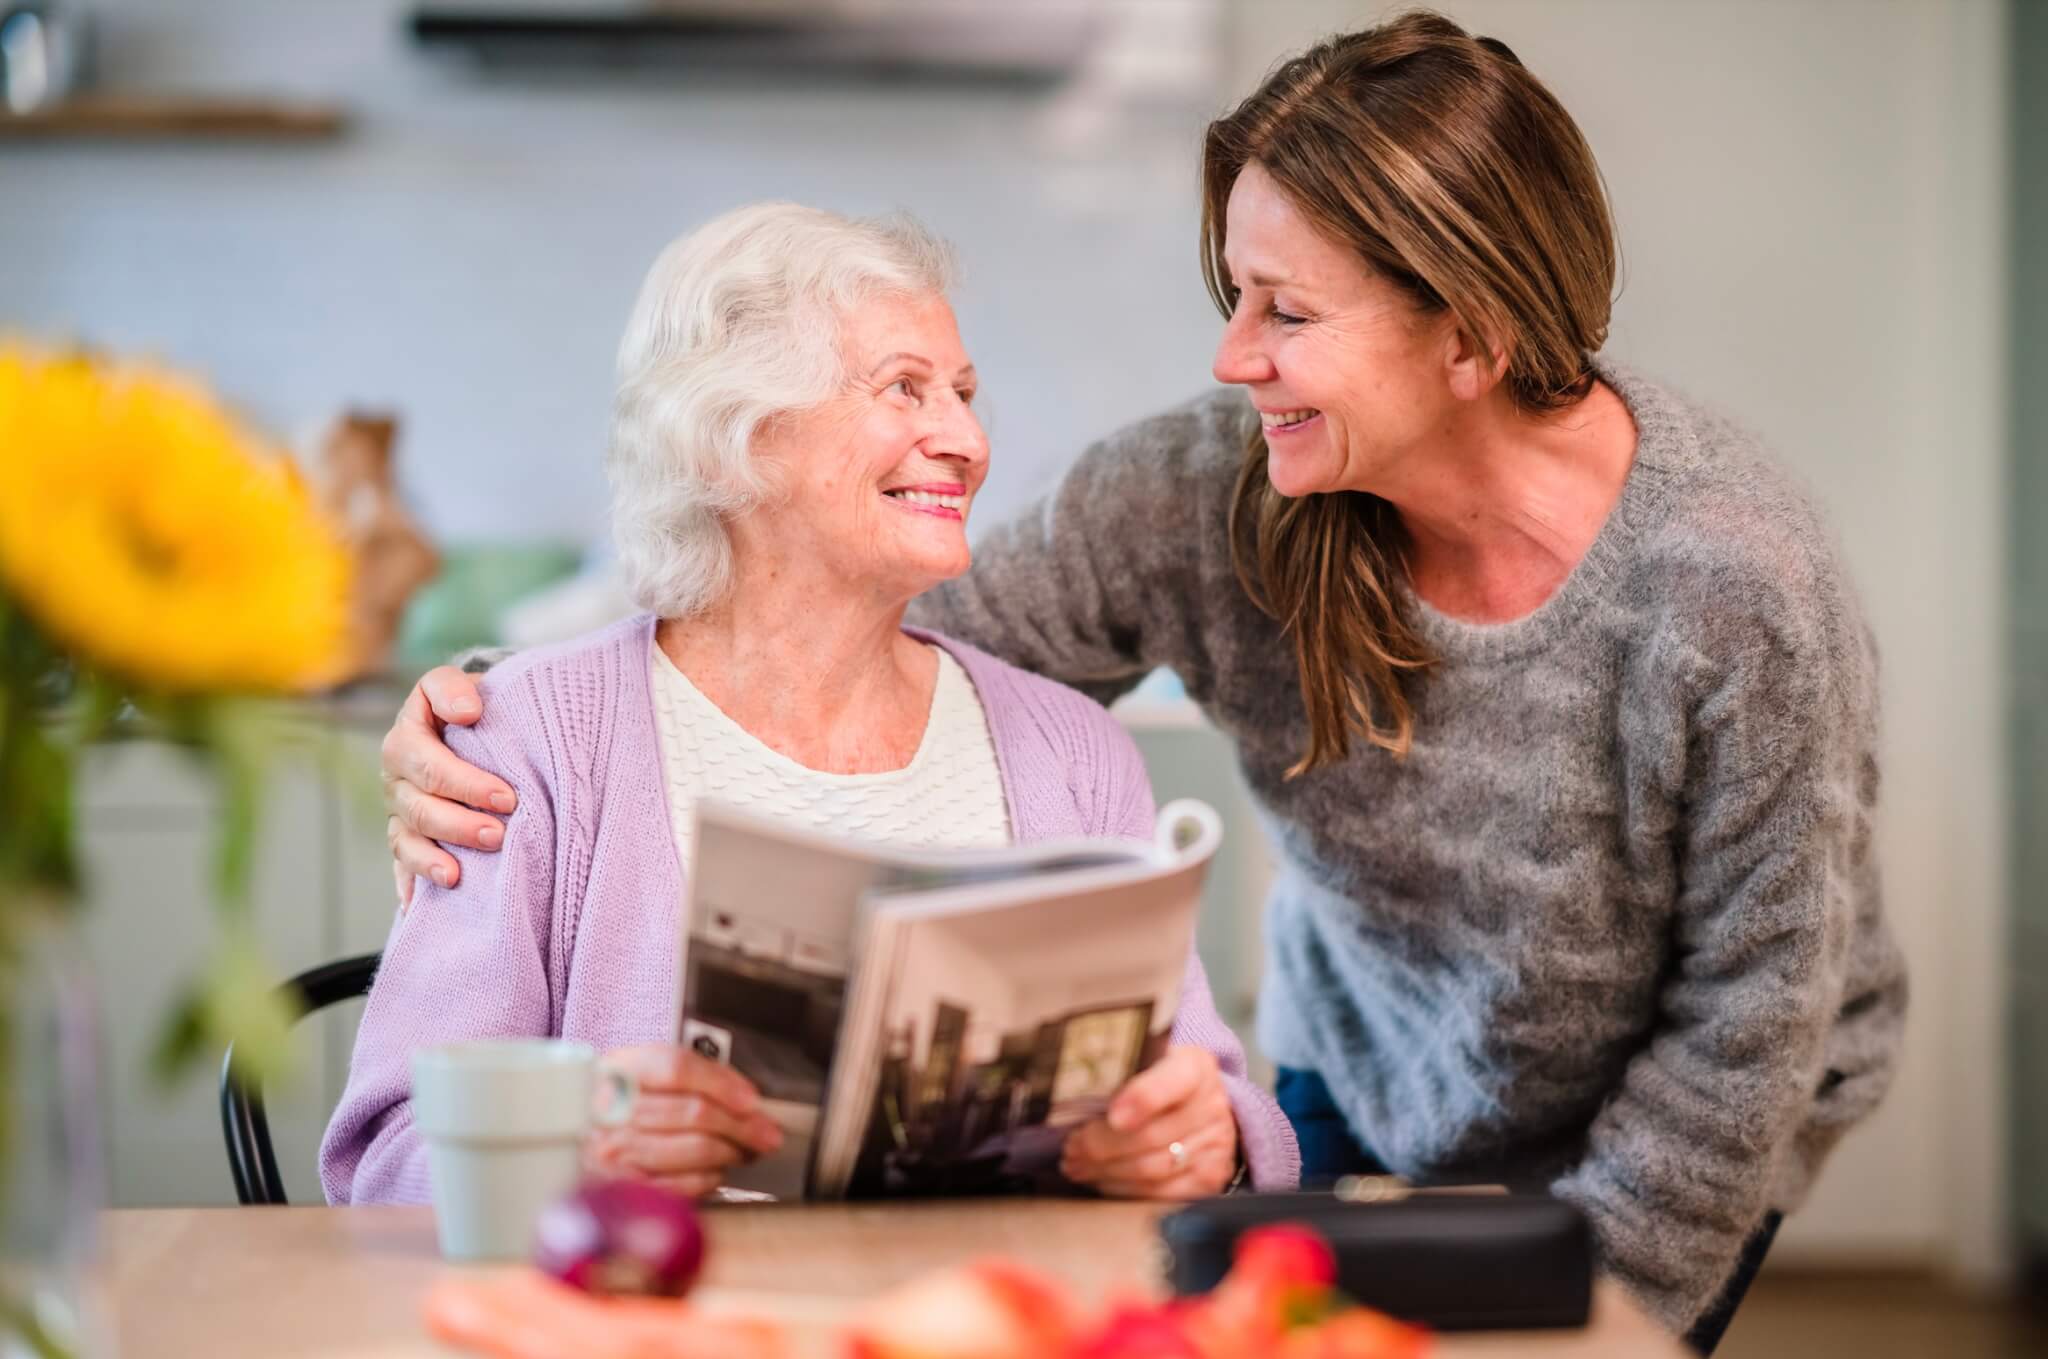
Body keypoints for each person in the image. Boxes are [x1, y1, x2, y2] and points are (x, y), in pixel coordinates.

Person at [377, 14, 1905, 1353]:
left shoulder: (1731, 584)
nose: (1233, 359)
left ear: (1473, 334)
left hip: (1686, 1118)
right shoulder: (1207, 490)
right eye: (1234, 293)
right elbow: (836, 621)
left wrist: (1586, 1312)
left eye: (1287, 312)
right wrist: (505, 708)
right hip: (1365, 1068)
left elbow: (1749, 1014)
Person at [322, 201, 1298, 1209]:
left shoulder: (1073, 750)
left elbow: (1211, 1102)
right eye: (904, 390)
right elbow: (391, 1150)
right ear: (722, 441)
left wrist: (1197, 1141)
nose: (964, 437)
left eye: (963, 393)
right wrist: (572, 1162)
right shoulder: (528, 742)